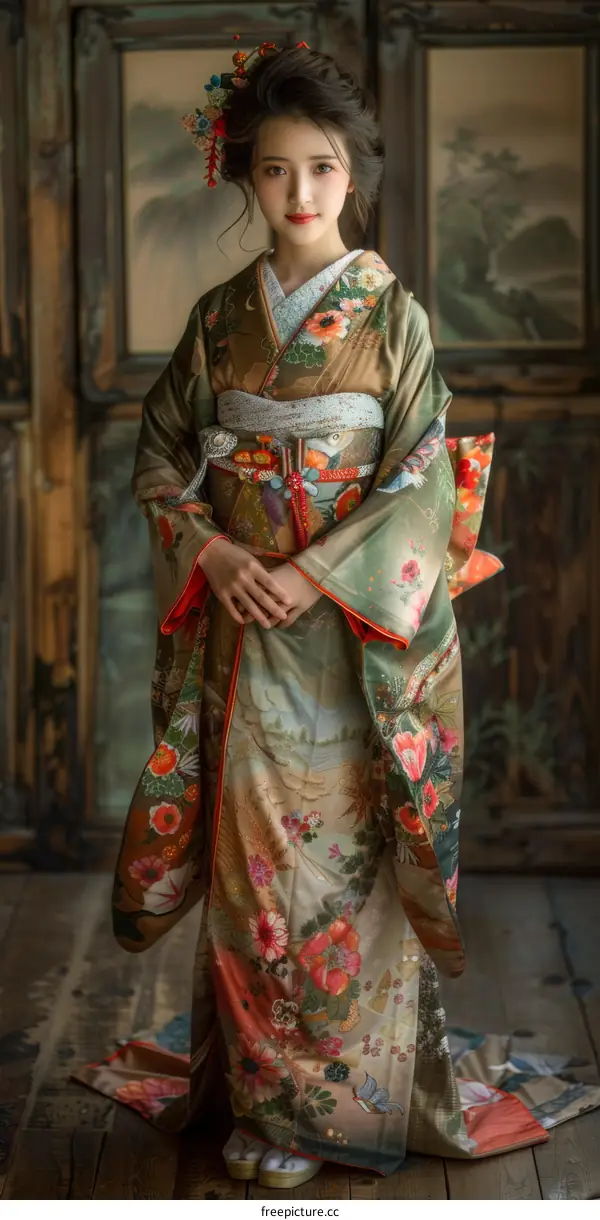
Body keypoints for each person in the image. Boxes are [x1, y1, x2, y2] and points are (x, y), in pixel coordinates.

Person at [75, 41, 600, 1188]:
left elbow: (420, 480)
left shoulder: (392, 314)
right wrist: (214, 551)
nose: (301, 193)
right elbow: (160, 455)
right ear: (245, 177)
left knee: (347, 871)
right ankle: (265, 1095)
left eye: (321, 167)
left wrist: (314, 573)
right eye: (275, 170)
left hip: (350, 641)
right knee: (253, 871)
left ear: (350, 175)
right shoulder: (221, 319)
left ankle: (335, 1109)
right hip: (241, 631)